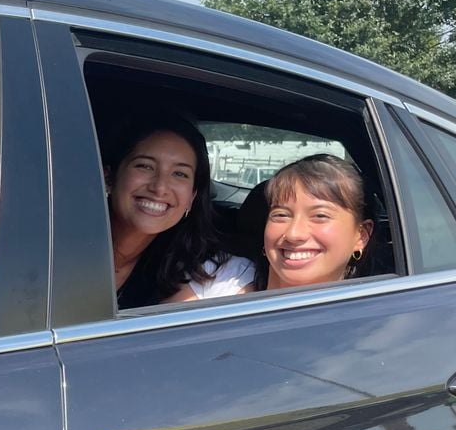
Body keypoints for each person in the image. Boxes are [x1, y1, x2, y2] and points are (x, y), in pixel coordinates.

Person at [105, 114, 254, 307]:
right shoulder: (57, 244)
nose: (160, 188)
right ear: (109, 177)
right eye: (145, 166)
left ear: (191, 197)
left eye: (179, 174)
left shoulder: (195, 272)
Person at [257, 154, 373, 291]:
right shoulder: (232, 295)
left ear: (361, 236)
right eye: (281, 215)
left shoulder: (381, 311)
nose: (293, 234)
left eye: (320, 215)